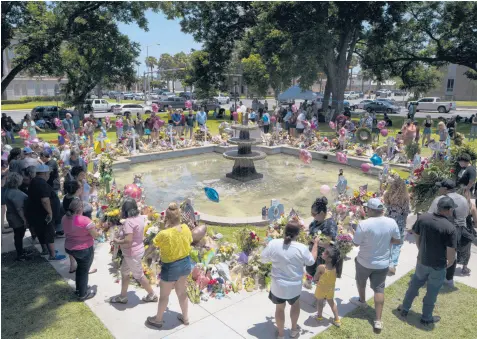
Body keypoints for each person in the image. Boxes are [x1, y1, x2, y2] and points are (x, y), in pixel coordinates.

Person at [397, 197, 457, 325]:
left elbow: (416, 235)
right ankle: (426, 317)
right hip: (438, 265)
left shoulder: (423, 218)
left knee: (414, 285)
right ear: (449, 210)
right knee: (432, 291)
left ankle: (404, 308)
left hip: (422, 261)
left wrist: (420, 251)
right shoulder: (450, 228)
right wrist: (450, 262)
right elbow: (451, 251)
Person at [261, 221, 319, 339]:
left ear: (283, 231)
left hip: (278, 286)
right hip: (294, 287)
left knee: (280, 309)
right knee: (295, 305)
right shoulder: (301, 248)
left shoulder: (274, 243)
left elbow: (263, 259)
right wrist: (316, 244)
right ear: (297, 234)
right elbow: (311, 261)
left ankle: (281, 335)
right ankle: (293, 330)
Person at [350, 198, 400, 331]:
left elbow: (356, 243)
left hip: (364, 262)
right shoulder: (391, 222)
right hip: (382, 264)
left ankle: (362, 302)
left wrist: (353, 233)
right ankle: (378, 320)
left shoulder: (364, 224)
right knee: (379, 289)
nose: (366, 211)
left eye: (367, 209)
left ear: (371, 210)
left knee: (361, 282)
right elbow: (397, 240)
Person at [147, 203, 192, 328]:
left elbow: (152, 246)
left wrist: (145, 256)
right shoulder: (186, 228)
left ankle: (158, 320)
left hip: (171, 267)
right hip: (185, 264)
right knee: (182, 293)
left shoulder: (164, 233)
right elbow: (189, 241)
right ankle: (185, 317)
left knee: (164, 296)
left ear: (167, 218)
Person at [110, 199, 158, 304]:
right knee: (124, 272)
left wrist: (117, 240)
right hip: (136, 250)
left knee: (139, 276)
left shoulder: (129, 222)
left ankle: (152, 295)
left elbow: (128, 241)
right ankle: (123, 296)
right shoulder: (139, 217)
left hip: (132, 253)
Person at [428, 179, 469, 287]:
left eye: (440, 187)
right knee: (453, 254)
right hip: (458, 229)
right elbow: (466, 214)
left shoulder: (440, 199)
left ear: (445, 189)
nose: (439, 189)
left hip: (442, 228)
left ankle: (435, 276)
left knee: (438, 252)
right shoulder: (463, 199)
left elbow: (430, 215)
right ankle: (449, 279)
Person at [62, 197, 100, 301]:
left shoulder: (65, 217)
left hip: (69, 247)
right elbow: (95, 236)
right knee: (84, 270)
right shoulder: (85, 220)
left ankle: (79, 288)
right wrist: (99, 231)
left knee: (80, 268)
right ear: (81, 208)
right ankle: (82, 294)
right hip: (83, 249)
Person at [27, 164, 65, 260]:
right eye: (48, 173)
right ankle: (52, 255)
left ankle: (46, 250)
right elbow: (45, 200)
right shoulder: (42, 183)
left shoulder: (34, 181)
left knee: (41, 232)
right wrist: (50, 213)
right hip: (44, 214)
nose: (49, 175)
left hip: (37, 212)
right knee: (49, 233)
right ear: (44, 173)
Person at [383, 174, 410, 275]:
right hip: (399, 221)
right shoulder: (406, 198)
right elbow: (406, 212)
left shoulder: (387, 194)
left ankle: (385, 261)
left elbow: (385, 206)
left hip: (388, 219)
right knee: (397, 243)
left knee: (387, 241)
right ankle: (393, 264)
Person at [307, 197, 338, 277]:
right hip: (313, 254)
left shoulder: (330, 224)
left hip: (322, 257)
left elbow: (327, 243)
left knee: (319, 279)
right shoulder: (317, 220)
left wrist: (312, 240)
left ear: (321, 213)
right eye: (311, 213)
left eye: (314, 214)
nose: (312, 216)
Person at [314, 245, 343, 327]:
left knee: (320, 303)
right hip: (330, 289)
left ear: (329, 259)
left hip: (321, 289)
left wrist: (315, 279)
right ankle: (337, 319)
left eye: (325, 253)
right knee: (332, 303)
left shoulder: (321, 267)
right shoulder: (336, 268)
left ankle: (319, 317)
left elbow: (315, 278)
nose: (322, 253)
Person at [4, 172, 30, 261]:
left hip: (12, 216)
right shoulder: (15, 194)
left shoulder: (9, 190)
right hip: (16, 218)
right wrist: (24, 220)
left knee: (18, 235)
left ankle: (21, 251)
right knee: (19, 235)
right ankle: (20, 254)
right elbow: (19, 209)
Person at [458, 189, 477, 275]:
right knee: (467, 249)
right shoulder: (472, 207)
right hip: (468, 229)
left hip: (458, 228)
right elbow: (476, 221)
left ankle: (452, 263)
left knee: (456, 246)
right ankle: (464, 268)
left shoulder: (456, 205)